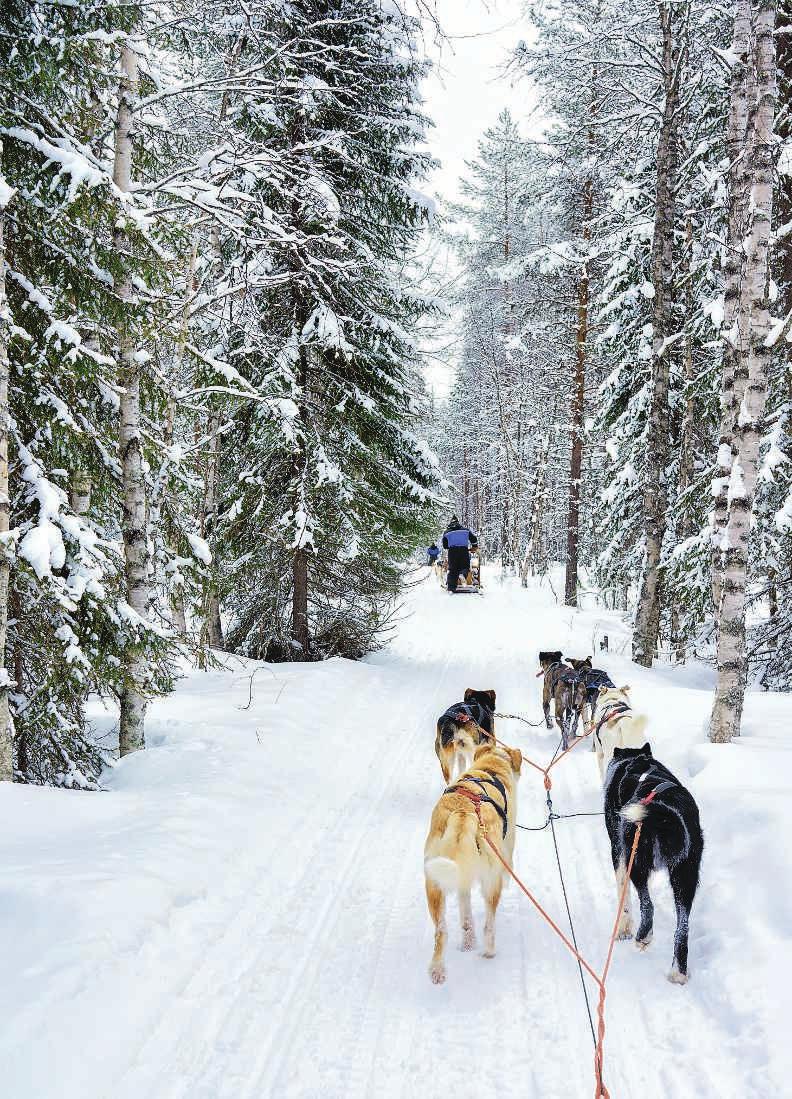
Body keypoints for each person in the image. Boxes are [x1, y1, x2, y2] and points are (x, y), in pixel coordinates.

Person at [442, 515, 478, 592]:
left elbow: (445, 546)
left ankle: (451, 588)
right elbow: (474, 539)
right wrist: (474, 546)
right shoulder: (466, 530)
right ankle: (462, 574)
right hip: (463, 551)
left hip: (452, 551)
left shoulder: (446, 532)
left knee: (452, 570)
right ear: (458, 522)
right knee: (465, 566)